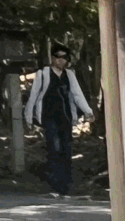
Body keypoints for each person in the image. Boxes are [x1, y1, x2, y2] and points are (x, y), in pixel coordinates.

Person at [25, 47, 93, 197]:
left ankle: (66, 186)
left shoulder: (70, 75)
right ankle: (53, 186)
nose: (60, 60)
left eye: (64, 57)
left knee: (66, 151)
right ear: (52, 58)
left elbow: (77, 94)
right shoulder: (43, 74)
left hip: (66, 117)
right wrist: (29, 117)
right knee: (54, 150)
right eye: (57, 56)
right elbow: (34, 96)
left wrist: (88, 111)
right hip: (49, 117)